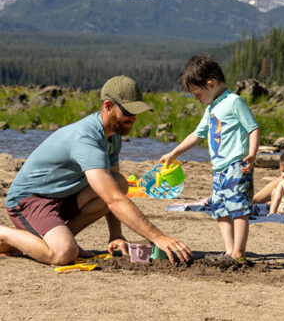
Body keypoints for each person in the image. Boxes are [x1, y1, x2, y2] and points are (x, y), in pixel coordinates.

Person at [0, 75, 192, 265]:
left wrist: (116, 236)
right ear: (108, 106)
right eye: (128, 111)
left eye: (136, 112)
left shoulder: (113, 135)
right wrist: (158, 237)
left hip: (62, 197)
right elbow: (113, 200)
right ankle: (5, 233)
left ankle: (54, 238)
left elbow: (114, 188)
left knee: (119, 181)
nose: (133, 118)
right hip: (29, 201)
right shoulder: (86, 139)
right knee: (63, 253)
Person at [161, 54, 260, 265]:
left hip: (237, 164)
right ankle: (228, 252)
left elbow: (253, 128)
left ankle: (238, 252)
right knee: (220, 210)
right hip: (219, 168)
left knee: (238, 208)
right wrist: (173, 153)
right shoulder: (211, 109)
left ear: (211, 83)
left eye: (197, 94)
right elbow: (196, 135)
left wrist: (252, 154)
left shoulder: (234, 102)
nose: (196, 98)